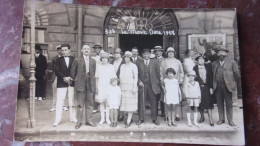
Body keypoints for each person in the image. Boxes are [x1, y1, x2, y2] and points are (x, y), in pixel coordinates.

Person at [212, 46, 240, 127]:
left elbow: (237, 75)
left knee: (229, 103)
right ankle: (221, 119)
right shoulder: (214, 63)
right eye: (219, 52)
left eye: (223, 52)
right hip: (217, 86)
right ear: (217, 54)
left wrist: (234, 85)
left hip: (227, 86)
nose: (221, 54)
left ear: (226, 54)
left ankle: (230, 120)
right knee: (219, 103)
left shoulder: (232, 62)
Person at [70, 45, 97, 129]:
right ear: (82, 50)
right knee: (80, 105)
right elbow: (72, 72)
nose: (86, 50)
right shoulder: (77, 60)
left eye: (88, 49)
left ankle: (89, 121)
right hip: (80, 84)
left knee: (90, 104)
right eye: (85, 49)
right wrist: (77, 81)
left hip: (90, 84)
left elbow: (93, 72)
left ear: (90, 51)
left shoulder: (93, 61)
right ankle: (79, 122)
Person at [52, 44, 77, 127]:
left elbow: (75, 70)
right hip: (61, 82)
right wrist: (64, 78)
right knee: (60, 101)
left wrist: (70, 78)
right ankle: (57, 120)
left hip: (71, 82)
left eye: (65, 50)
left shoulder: (74, 59)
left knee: (72, 101)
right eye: (62, 50)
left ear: (69, 50)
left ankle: (73, 117)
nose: (63, 52)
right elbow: (57, 71)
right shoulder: (58, 60)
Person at [136, 49, 161, 126]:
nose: (146, 55)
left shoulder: (155, 62)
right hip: (142, 84)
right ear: (142, 55)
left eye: (147, 54)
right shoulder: (138, 62)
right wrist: (139, 81)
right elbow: (136, 74)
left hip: (152, 85)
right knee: (141, 102)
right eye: (144, 54)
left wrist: (157, 83)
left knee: (153, 102)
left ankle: (154, 118)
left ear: (150, 54)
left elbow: (158, 74)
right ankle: (141, 118)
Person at [160, 47, 184, 121]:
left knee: (175, 99)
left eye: (172, 52)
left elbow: (181, 72)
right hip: (167, 83)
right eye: (169, 52)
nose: (170, 53)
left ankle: (176, 115)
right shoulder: (163, 62)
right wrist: (162, 81)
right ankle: (167, 115)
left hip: (175, 83)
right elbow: (160, 72)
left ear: (174, 53)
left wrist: (180, 79)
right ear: (167, 53)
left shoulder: (178, 62)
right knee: (167, 99)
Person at [95, 52, 117, 125]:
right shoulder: (99, 66)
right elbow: (96, 78)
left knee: (108, 103)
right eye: (103, 58)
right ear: (101, 59)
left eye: (106, 58)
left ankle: (107, 118)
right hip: (100, 86)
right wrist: (96, 87)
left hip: (108, 86)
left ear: (108, 59)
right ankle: (102, 118)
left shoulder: (111, 66)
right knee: (101, 103)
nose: (104, 59)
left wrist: (112, 87)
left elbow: (113, 77)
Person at [193, 54, 214, 126]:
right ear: (197, 60)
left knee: (208, 103)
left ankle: (210, 119)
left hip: (207, 87)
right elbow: (194, 78)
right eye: (199, 59)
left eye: (202, 59)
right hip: (198, 88)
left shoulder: (208, 67)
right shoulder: (195, 68)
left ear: (204, 61)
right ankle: (202, 117)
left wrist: (211, 87)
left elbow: (211, 77)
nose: (201, 60)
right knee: (200, 103)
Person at [119, 51, 138, 128]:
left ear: (130, 58)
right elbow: (120, 77)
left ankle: (128, 121)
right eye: (125, 57)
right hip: (123, 87)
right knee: (125, 103)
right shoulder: (122, 66)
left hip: (130, 87)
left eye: (128, 57)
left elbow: (136, 77)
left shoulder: (133, 66)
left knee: (130, 104)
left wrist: (134, 87)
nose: (127, 59)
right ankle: (129, 118)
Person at [49, 45, 69, 112]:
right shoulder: (54, 58)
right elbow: (51, 68)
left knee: (65, 91)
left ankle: (64, 105)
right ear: (57, 51)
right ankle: (54, 106)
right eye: (58, 50)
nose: (60, 51)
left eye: (61, 50)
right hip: (56, 76)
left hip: (64, 77)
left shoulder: (67, 58)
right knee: (55, 91)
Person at [91, 43, 104, 114]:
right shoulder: (93, 58)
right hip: (95, 75)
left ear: (101, 49)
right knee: (95, 90)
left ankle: (102, 106)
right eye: (96, 49)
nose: (97, 50)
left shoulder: (103, 57)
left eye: (98, 48)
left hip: (102, 76)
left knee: (102, 90)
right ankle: (95, 107)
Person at [154, 46, 166, 117]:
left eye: (159, 51)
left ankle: (163, 111)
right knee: (155, 96)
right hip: (154, 81)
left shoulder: (165, 60)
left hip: (162, 80)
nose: (157, 52)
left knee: (162, 96)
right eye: (156, 51)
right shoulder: (153, 60)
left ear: (162, 52)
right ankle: (155, 111)